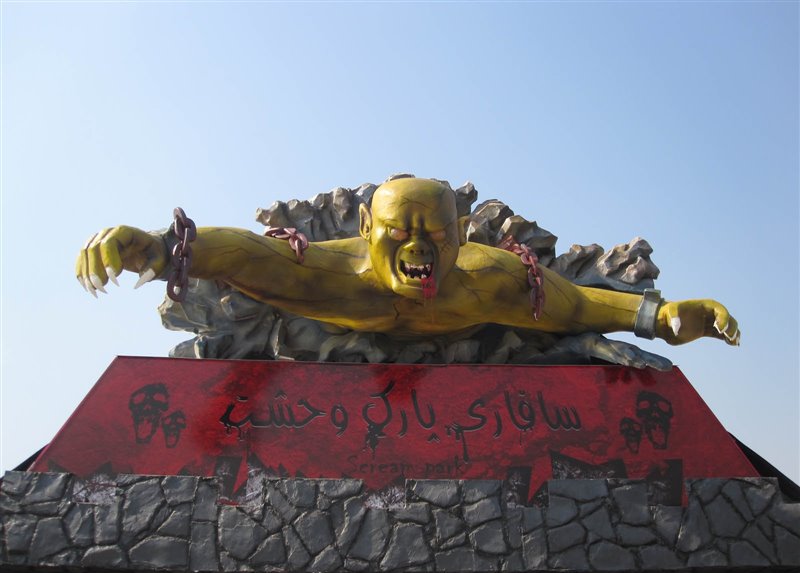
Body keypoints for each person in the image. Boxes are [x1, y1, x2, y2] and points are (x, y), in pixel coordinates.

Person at [75, 177, 740, 347]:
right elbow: (247, 254)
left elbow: (577, 305)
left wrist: (659, 317)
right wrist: (157, 249)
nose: (418, 248)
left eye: (435, 236)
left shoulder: (486, 279)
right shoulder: (327, 275)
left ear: (461, 235)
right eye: (400, 234)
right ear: (367, 229)